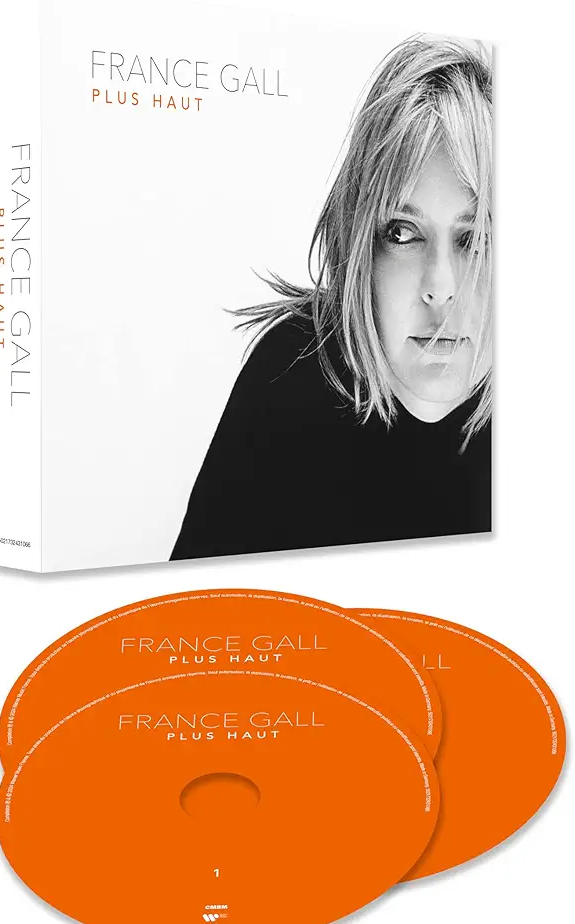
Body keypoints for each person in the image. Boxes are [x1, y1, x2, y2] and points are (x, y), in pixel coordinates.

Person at [170, 36, 492, 561]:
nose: (441, 287)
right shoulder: (292, 373)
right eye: (402, 233)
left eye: (475, 237)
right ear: (359, 244)